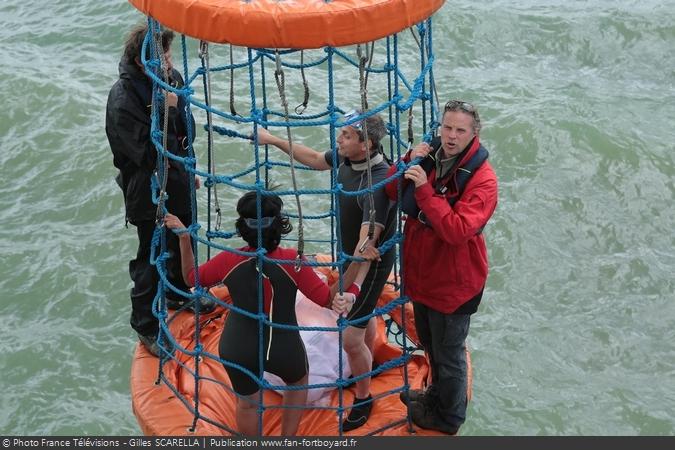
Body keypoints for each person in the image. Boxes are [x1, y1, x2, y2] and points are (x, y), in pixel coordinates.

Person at [164, 192, 378, 436]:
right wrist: (357, 263)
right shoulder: (292, 262)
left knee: (247, 404)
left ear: (242, 228)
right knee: (298, 384)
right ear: (280, 225)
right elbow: (329, 299)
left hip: (236, 346)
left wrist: (184, 237)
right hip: (282, 346)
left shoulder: (228, 259)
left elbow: (192, 278)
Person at [256, 111, 396, 431]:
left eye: (346, 135)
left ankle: (363, 397)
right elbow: (317, 159)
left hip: (370, 264)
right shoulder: (349, 158)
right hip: (351, 256)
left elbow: (367, 243)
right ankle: (369, 360)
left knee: (349, 336)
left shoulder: (377, 182)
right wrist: (273, 140)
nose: (339, 139)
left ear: (367, 144)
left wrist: (350, 290)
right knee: (361, 323)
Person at [385, 100, 498, 434]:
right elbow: (391, 190)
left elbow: (456, 230)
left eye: (460, 130)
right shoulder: (431, 157)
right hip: (423, 275)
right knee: (431, 345)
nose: (450, 136)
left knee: (449, 355)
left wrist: (423, 189)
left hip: (455, 284)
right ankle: (434, 398)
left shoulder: (483, 181)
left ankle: (449, 418)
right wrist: (407, 161)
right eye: (446, 128)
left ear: (474, 133)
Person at [105, 24, 212, 358]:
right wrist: (167, 109)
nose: (169, 60)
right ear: (142, 61)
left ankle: (181, 292)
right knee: (152, 255)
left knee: (186, 237)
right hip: (147, 188)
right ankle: (146, 325)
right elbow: (146, 153)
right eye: (163, 54)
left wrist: (187, 166)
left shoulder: (172, 78)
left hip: (177, 176)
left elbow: (186, 131)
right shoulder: (123, 99)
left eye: (169, 53)